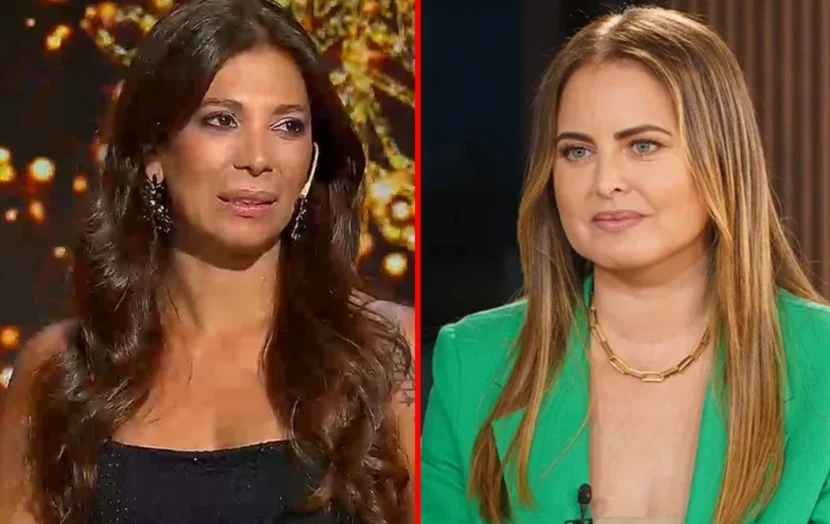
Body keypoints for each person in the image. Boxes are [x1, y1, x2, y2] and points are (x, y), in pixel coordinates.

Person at [0, 1, 414, 523]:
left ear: (312, 159)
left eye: (288, 125)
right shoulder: (61, 370)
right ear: (153, 152)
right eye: (221, 120)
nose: (258, 158)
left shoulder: (387, 354)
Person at [422, 6, 830, 523]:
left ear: (722, 158)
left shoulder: (821, 364)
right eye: (576, 152)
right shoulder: (474, 363)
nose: (605, 182)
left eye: (643, 145)